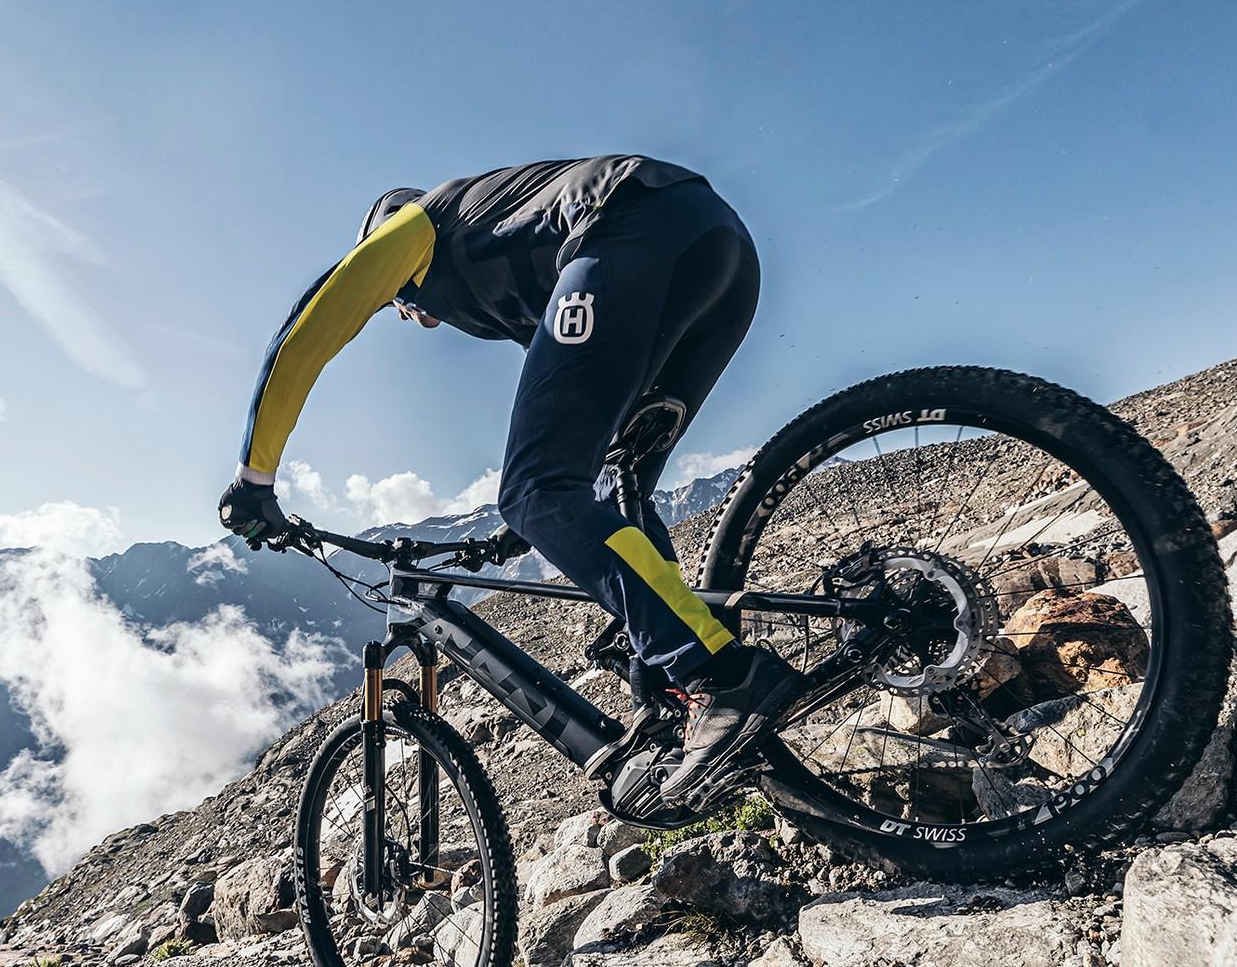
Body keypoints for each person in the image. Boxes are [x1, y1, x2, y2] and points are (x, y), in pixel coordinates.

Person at [218, 155, 801, 800]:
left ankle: (714, 676)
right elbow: (572, 422)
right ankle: (669, 704)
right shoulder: (512, 261)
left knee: (534, 492)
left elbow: (305, 335)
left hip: (632, 228)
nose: (405, 313)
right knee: (616, 482)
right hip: (720, 250)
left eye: (394, 303)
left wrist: (254, 477)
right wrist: (530, 527)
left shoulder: (414, 226)